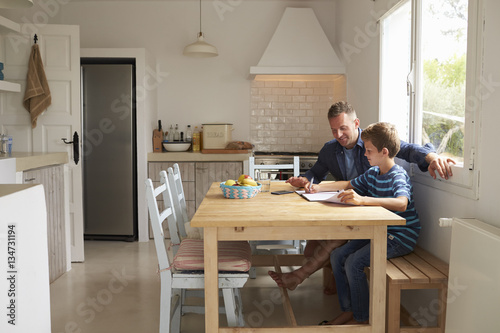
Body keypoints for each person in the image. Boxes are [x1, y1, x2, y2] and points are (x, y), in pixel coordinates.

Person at [268, 101, 454, 293]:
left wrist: (432, 157)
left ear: (356, 123)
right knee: (311, 251)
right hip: (348, 207)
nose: (338, 135)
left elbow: (405, 149)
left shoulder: (373, 142)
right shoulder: (330, 149)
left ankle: (302, 277)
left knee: (335, 246)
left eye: (343, 128)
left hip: (369, 213)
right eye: (333, 130)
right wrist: (305, 181)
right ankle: (336, 287)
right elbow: (317, 173)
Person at [314, 122, 420, 325]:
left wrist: (363, 200)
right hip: (380, 232)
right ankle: (349, 310)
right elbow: (347, 184)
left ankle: (361, 318)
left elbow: (401, 203)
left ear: (384, 151)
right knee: (337, 255)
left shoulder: (397, 175)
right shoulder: (373, 173)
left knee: (354, 263)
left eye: (369, 150)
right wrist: (316, 188)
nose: (365, 154)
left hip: (399, 237)